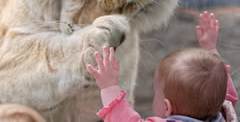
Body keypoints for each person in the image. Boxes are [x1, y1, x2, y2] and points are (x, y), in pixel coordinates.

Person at [88, 11, 238, 122]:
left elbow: (123, 118)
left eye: (157, 94)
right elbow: (225, 94)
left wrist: (109, 87)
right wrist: (211, 50)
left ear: (167, 108)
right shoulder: (224, 116)